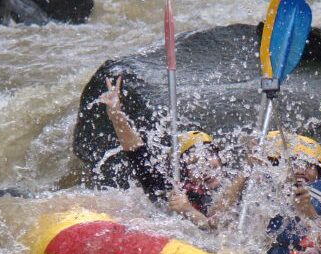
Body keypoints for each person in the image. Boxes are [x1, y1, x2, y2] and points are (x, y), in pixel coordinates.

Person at [98, 75, 246, 229]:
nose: (205, 167)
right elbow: (137, 152)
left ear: (220, 157)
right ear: (183, 171)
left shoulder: (238, 179)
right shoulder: (171, 192)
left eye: (209, 157)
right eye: (194, 162)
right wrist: (117, 117)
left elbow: (218, 223)